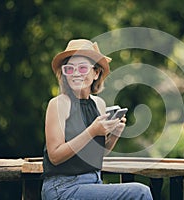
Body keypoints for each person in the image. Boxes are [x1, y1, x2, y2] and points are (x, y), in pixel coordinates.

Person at [41, 39, 153, 200]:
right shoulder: (58, 104)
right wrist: (92, 131)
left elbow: (96, 153)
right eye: (69, 69)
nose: (76, 73)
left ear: (96, 73)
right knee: (140, 193)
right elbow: (55, 156)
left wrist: (114, 134)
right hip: (63, 188)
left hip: (93, 182)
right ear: (64, 74)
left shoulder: (98, 104)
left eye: (82, 68)